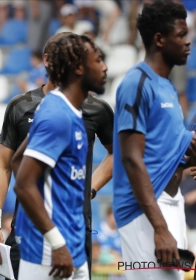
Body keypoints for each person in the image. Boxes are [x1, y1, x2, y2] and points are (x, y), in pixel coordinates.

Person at [0, 32, 113, 279]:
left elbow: (20, 161)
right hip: (42, 238)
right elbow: (9, 169)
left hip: (75, 231)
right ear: (77, 68)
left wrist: (88, 189)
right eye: (97, 60)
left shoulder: (82, 110)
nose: (105, 67)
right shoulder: (45, 111)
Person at [113, 1, 194, 279]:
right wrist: (160, 228)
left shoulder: (167, 87)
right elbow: (131, 159)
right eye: (182, 35)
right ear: (159, 40)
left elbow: (166, 153)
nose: (188, 41)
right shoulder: (136, 84)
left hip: (171, 204)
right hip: (144, 214)